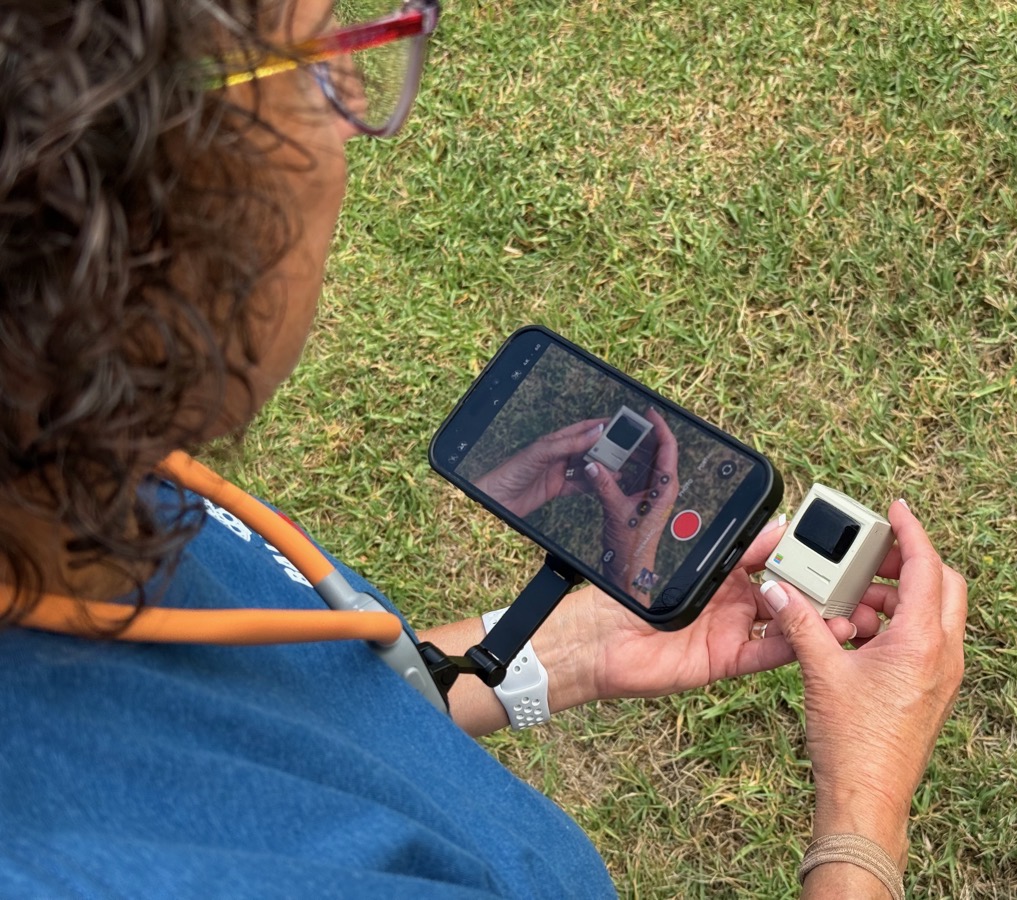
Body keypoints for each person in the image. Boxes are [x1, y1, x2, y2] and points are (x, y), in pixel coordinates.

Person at [0, 1, 967, 897]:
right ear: (116, 212)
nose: (350, 119)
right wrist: (863, 810)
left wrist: (571, 648)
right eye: (315, 66)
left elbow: (307, 717)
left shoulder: (70, 458)